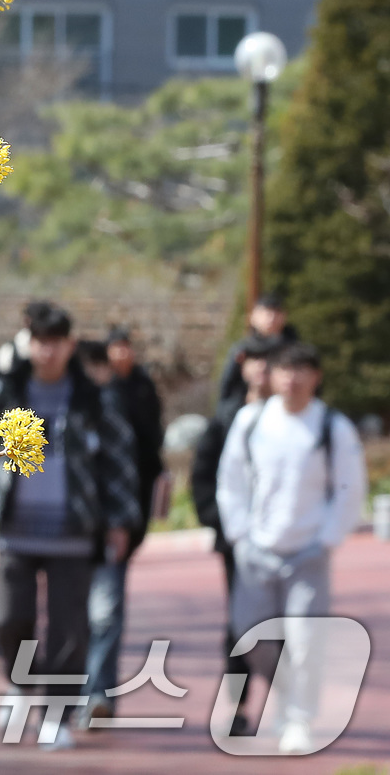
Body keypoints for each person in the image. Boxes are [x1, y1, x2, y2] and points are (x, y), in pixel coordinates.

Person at [0, 302, 141, 750]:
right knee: (8, 617)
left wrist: (120, 520)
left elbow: (119, 461)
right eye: (40, 342)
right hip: (17, 531)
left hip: (74, 532)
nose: (47, 351)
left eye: (56, 342)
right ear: (28, 343)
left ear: (70, 345)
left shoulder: (91, 396)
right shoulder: (5, 391)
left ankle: (56, 717)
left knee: (69, 632)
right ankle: (20, 681)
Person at [216, 342, 366, 755]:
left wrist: (328, 538)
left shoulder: (331, 426)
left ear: (316, 376)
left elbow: (350, 487)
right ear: (273, 375)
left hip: (308, 553)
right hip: (256, 552)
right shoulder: (252, 420)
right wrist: (240, 534)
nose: (292, 378)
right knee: (249, 635)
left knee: (303, 638)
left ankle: (298, 718)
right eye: (285, 369)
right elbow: (231, 480)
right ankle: (287, 692)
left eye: (302, 370)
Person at [190, 334, 276, 736]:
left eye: (270, 361)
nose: (263, 369)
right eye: (255, 360)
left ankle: (287, 705)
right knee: (241, 624)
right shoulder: (226, 418)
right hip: (239, 542)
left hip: (287, 541)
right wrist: (221, 521)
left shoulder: (300, 419)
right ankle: (239, 707)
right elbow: (203, 475)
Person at [79, 327, 165, 721]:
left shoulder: (133, 394)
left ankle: (98, 694)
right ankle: (77, 694)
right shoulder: (59, 407)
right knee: (76, 615)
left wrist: (126, 522)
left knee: (105, 612)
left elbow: (137, 460)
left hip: (114, 522)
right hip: (69, 531)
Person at [217, 293, 298, 403]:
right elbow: (228, 384)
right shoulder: (242, 350)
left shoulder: (294, 349)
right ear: (253, 317)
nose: (271, 318)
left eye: (276, 312)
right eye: (266, 313)